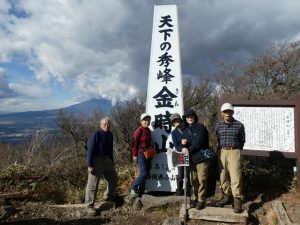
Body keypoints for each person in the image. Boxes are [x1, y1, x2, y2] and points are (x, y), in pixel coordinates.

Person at [215, 103, 245, 213]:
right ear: (222, 113)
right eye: (225, 111)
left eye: (229, 111)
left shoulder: (239, 125)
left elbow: (242, 140)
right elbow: (217, 138)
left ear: (232, 112)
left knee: (235, 177)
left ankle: (237, 201)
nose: (227, 113)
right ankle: (227, 197)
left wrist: (236, 149)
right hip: (222, 152)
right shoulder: (218, 125)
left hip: (234, 151)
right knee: (222, 176)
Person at [85, 117, 118, 215]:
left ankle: (108, 195)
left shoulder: (110, 135)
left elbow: (110, 149)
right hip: (96, 160)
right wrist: (90, 164)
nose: (107, 126)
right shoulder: (96, 134)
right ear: (101, 125)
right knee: (93, 184)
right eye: (105, 124)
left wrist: (111, 160)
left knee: (113, 178)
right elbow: (90, 150)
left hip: (107, 159)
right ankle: (89, 206)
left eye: (108, 124)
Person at [181, 109, 210, 210]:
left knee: (202, 179)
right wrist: (183, 144)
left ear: (195, 117)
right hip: (191, 159)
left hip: (202, 157)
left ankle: (201, 200)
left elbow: (199, 143)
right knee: (193, 180)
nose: (190, 118)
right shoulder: (185, 130)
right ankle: (196, 198)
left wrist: (188, 149)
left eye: (191, 116)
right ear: (185, 118)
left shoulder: (200, 128)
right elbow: (184, 144)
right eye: (187, 116)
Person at [130, 113, 153, 197]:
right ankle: (133, 187)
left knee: (146, 173)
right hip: (140, 154)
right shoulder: (139, 130)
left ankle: (141, 191)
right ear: (141, 121)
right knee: (143, 173)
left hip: (148, 153)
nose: (147, 122)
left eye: (148, 120)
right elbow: (134, 143)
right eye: (145, 120)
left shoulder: (148, 130)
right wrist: (134, 154)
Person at [170, 113, 191, 196]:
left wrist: (187, 143)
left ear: (180, 119)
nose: (176, 121)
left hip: (190, 152)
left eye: (177, 119)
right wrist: (182, 148)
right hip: (180, 153)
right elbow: (176, 145)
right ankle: (179, 190)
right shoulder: (174, 132)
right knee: (180, 173)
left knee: (189, 173)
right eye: (174, 121)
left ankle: (188, 190)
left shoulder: (187, 128)